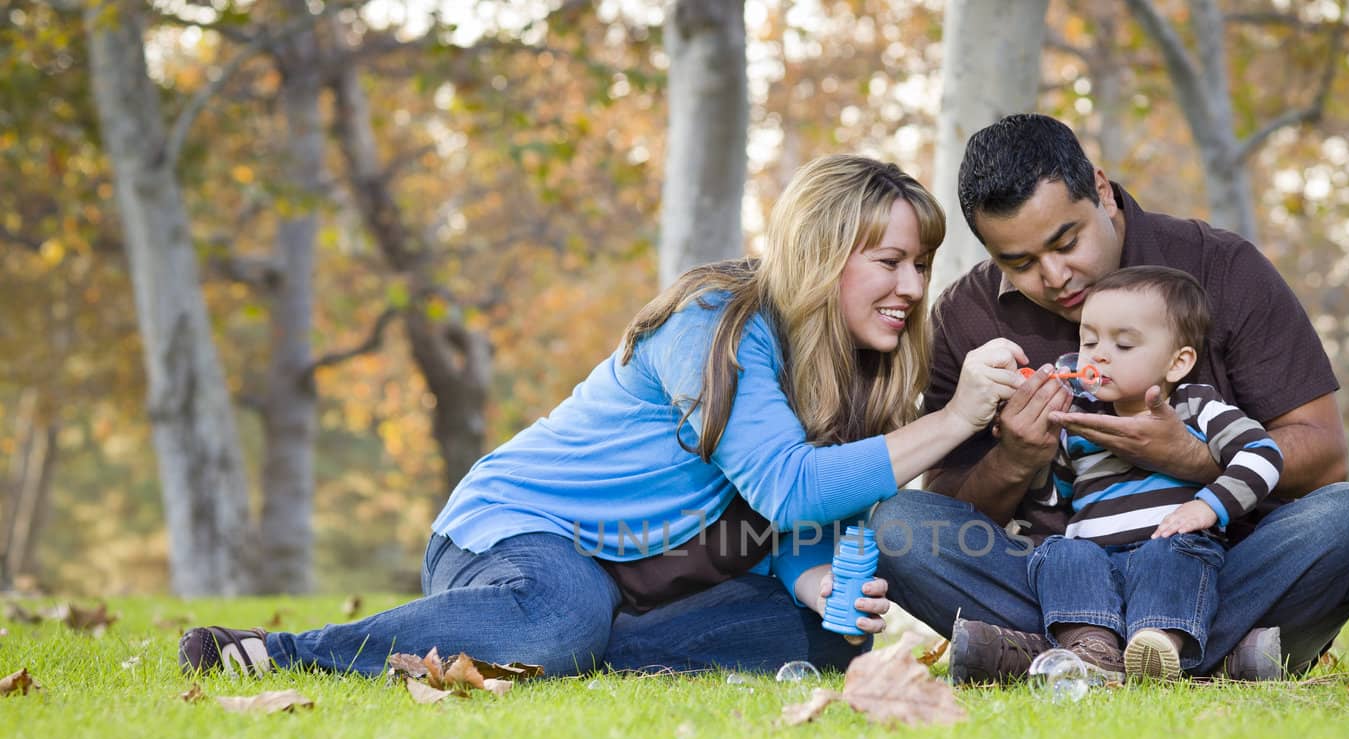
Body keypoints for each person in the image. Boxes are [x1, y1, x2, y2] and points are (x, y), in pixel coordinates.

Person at [179, 155, 1025, 678]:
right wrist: (955, 420)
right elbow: (789, 484)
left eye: (921, 263)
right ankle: (287, 653)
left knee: (828, 642)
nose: (913, 288)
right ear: (822, 254)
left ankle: (569, 654)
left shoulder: (847, 365)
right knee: (562, 613)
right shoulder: (714, 324)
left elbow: (797, 514)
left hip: (641, 583)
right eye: (889, 262)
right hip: (517, 536)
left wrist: (808, 578)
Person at [869, 113, 1349, 683]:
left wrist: (1188, 458)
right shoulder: (968, 314)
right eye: (1018, 263)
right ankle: (1205, 659)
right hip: (1061, 571)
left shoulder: (1220, 267)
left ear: (1101, 190)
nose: (1055, 276)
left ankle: (1055, 658)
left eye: (1066, 241)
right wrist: (1015, 461)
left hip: (1219, 563)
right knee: (898, 526)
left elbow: (1324, 452)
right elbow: (954, 509)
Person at [1007, 266, 1283, 684]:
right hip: (1096, 567)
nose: (1097, 355)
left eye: (1122, 344)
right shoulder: (1081, 424)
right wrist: (1035, 448)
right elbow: (1051, 498)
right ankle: (1093, 647)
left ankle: (1158, 644)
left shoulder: (1195, 406)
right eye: (1089, 341)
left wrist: (1208, 506)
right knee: (1061, 552)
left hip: (1166, 550)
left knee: (1171, 553)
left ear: (1177, 363)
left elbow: (1262, 454)